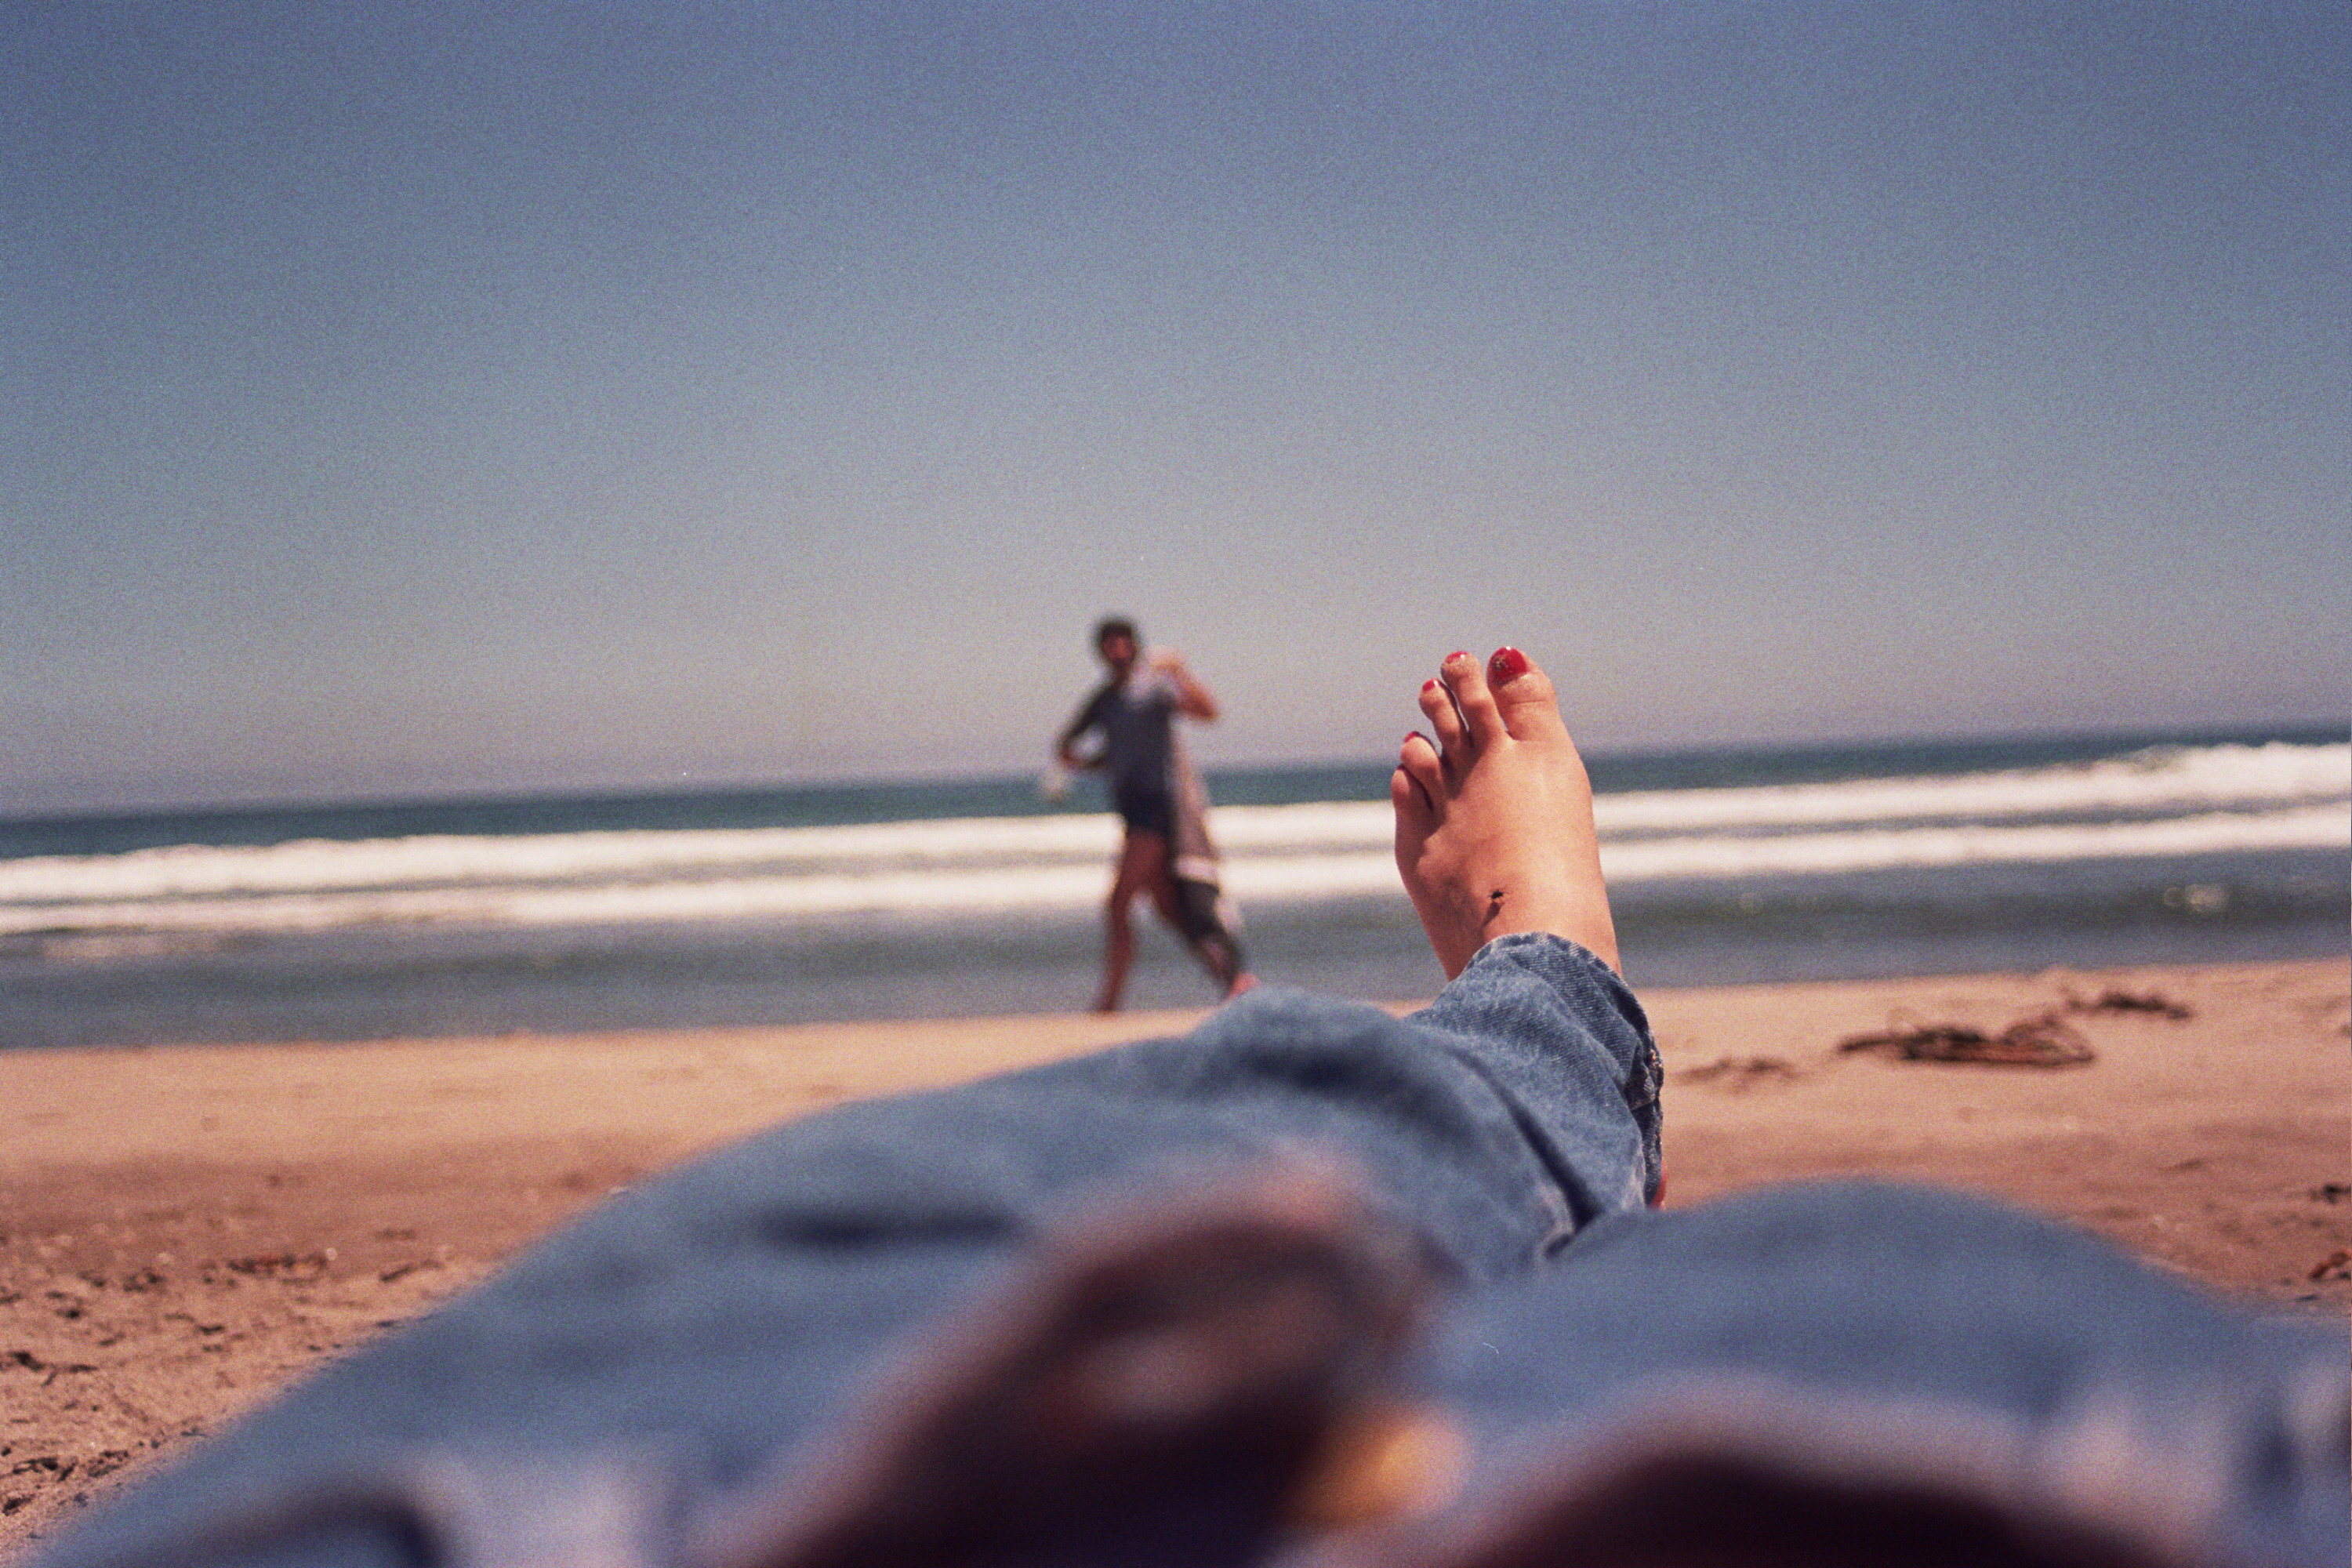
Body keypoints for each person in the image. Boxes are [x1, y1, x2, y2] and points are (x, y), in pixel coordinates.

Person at [31, 649, 2346, 1568]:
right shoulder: (1116, 704)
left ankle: (1519, 1031)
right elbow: (1108, 718)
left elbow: (1168, 699)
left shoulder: (1156, 695)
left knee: (1213, 1124)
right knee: (1338, 1130)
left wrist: (1146, 727)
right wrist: (1089, 749)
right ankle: (1545, 1013)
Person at [1055, 615, 1254, 1010]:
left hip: (1158, 812)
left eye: (1122, 642)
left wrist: (1180, 672)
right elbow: (1070, 745)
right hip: (1131, 813)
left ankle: (1109, 1001)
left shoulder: (1153, 690)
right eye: (1109, 644)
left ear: (1134, 645)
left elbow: (1207, 711)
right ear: (1101, 652)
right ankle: (1236, 981)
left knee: (1119, 903)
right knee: (1170, 909)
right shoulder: (1105, 699)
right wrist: (1094, 763)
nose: (1116, 651)